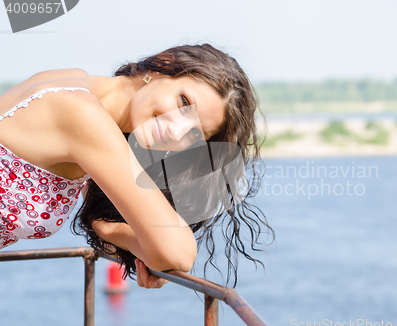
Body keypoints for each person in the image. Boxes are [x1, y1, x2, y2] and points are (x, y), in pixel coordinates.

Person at [0, 44, 274, 289]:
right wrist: (114, 232)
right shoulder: (83, 117)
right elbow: (177, 252)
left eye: (195, 134)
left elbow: (102, 217)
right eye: (184, 103)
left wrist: (112, 231)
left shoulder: (74, 82)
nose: (177, 131)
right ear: (164, 66)